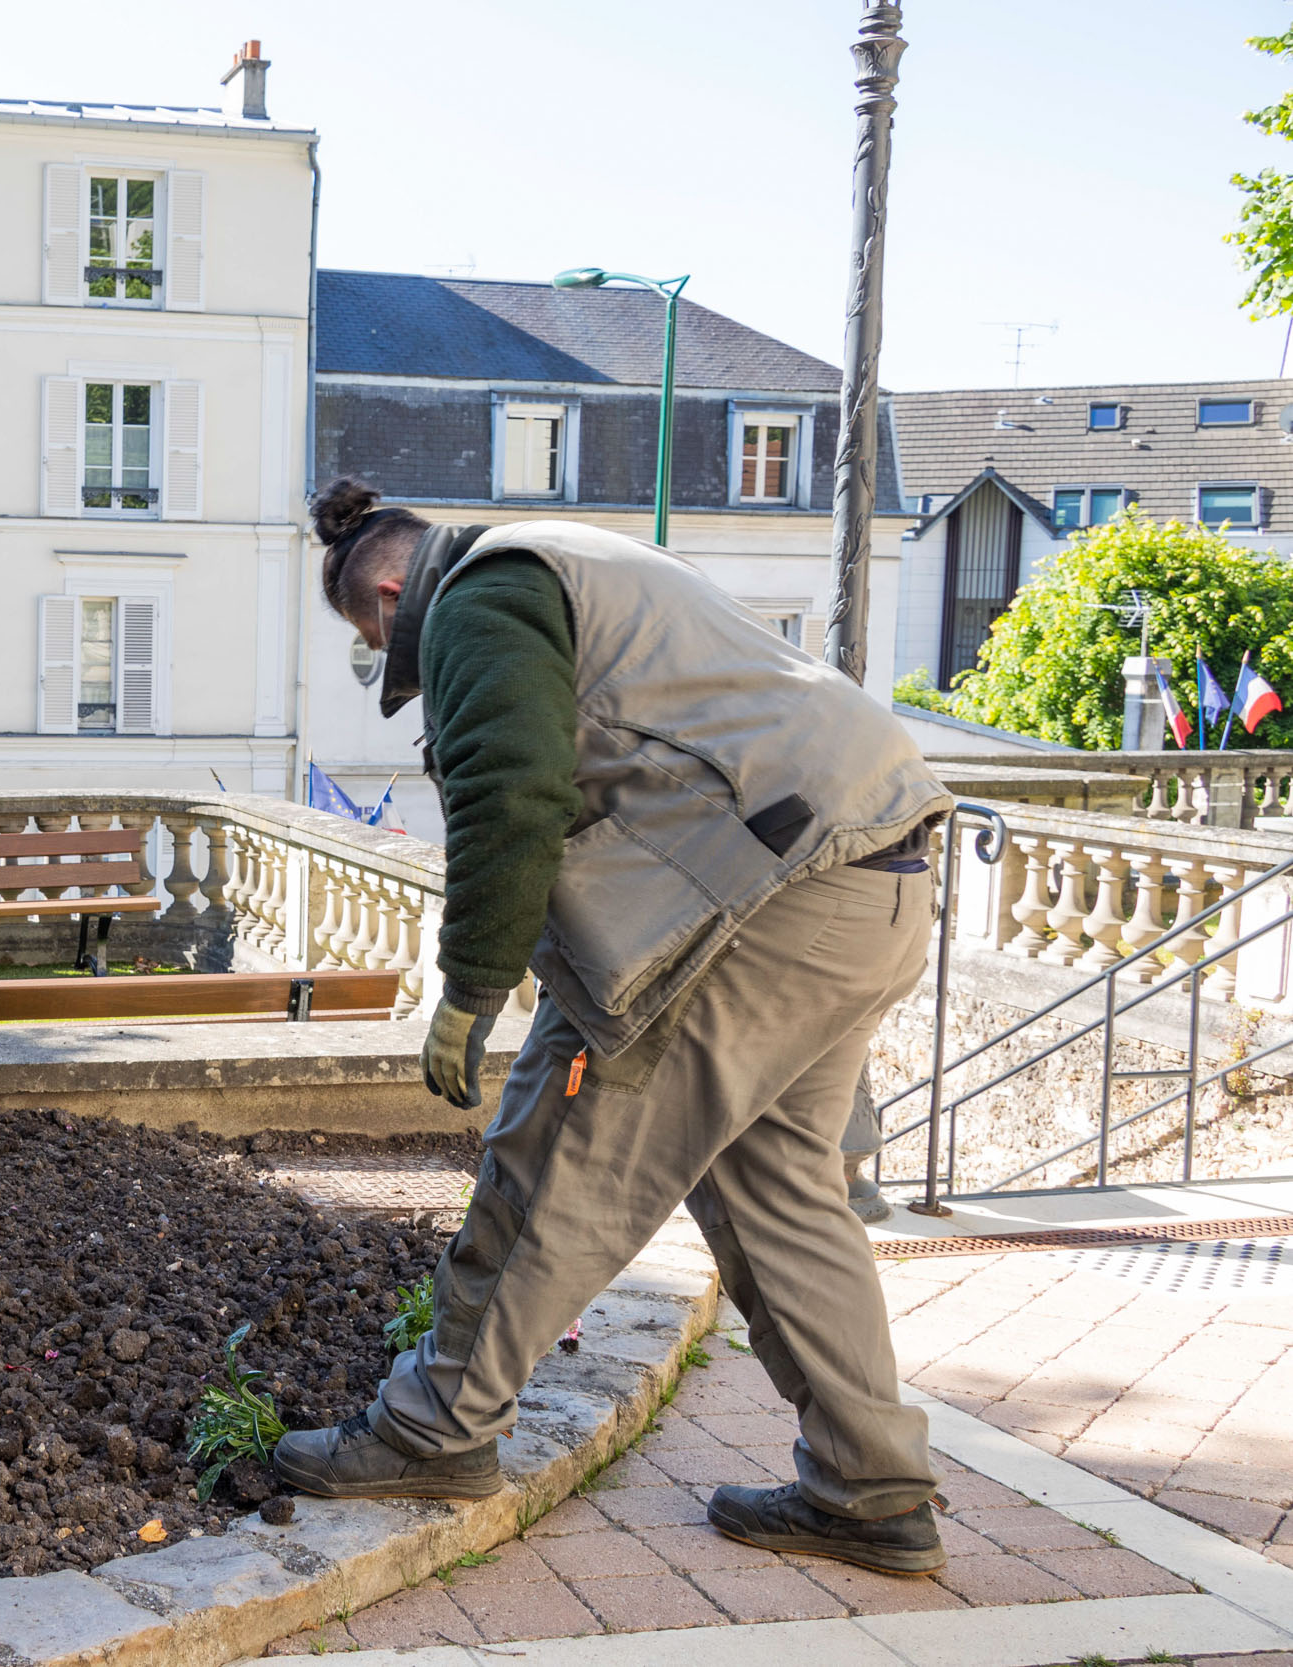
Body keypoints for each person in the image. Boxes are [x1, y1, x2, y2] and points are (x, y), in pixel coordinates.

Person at [271, 479, 956, 1578]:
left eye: (379, 644)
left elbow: (512, 790)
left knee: (551, 1165)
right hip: (873, 874)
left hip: (758, 907)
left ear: (392, 591)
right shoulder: (583, 553)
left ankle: (431, 1427)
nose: (403, 665)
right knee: (781, 1196)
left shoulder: (479, 596)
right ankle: (869, 1486)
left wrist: (470, 984)